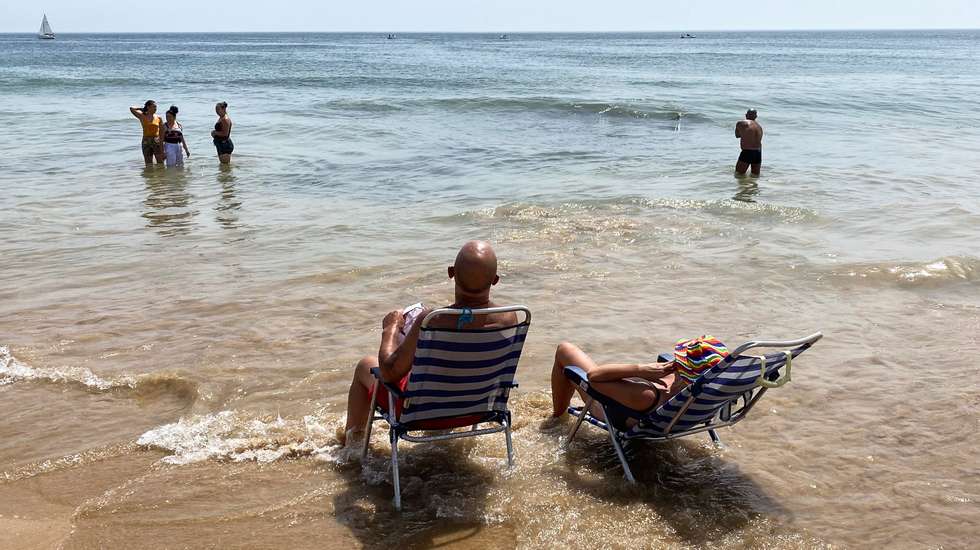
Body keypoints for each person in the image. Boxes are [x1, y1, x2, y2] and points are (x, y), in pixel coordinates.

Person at [341, 241, 518, 446]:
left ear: (451, 273)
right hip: (479, 409)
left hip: (421, 414)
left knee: (366, 364)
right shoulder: (509, 318)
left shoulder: (433, 320)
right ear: (495, 280)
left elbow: (389, 372)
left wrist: (391, 329)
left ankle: (352, 445)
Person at [549, 336, 729, 427]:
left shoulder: (649, 395)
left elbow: (594, 377)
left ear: (682, 367)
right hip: (666, 422)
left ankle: (557, 417)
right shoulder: (710, 390)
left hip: (606, 408)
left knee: (564, 350)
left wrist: (641, 370)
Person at [130, 100, 164, 165]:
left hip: (156, 140)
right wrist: (141, 109)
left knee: (160, 162)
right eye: (154, 107)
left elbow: (162, 132)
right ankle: (150, 175)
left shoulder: (158, 118)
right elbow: (131, 108)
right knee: (148, 163)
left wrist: (162, 142)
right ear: (148, 107)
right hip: (146, 140)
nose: (155, 108)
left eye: (156, 107)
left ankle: (161, 175)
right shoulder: (142, 116)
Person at [735, 109, 764, 176]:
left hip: (747, 152)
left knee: (739, 175)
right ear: (756, 116)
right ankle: (754, 186)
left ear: (746, 115)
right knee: (755, 176)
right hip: (758, 153)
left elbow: (737, 135)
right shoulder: (759, 126)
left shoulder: (741, 123)